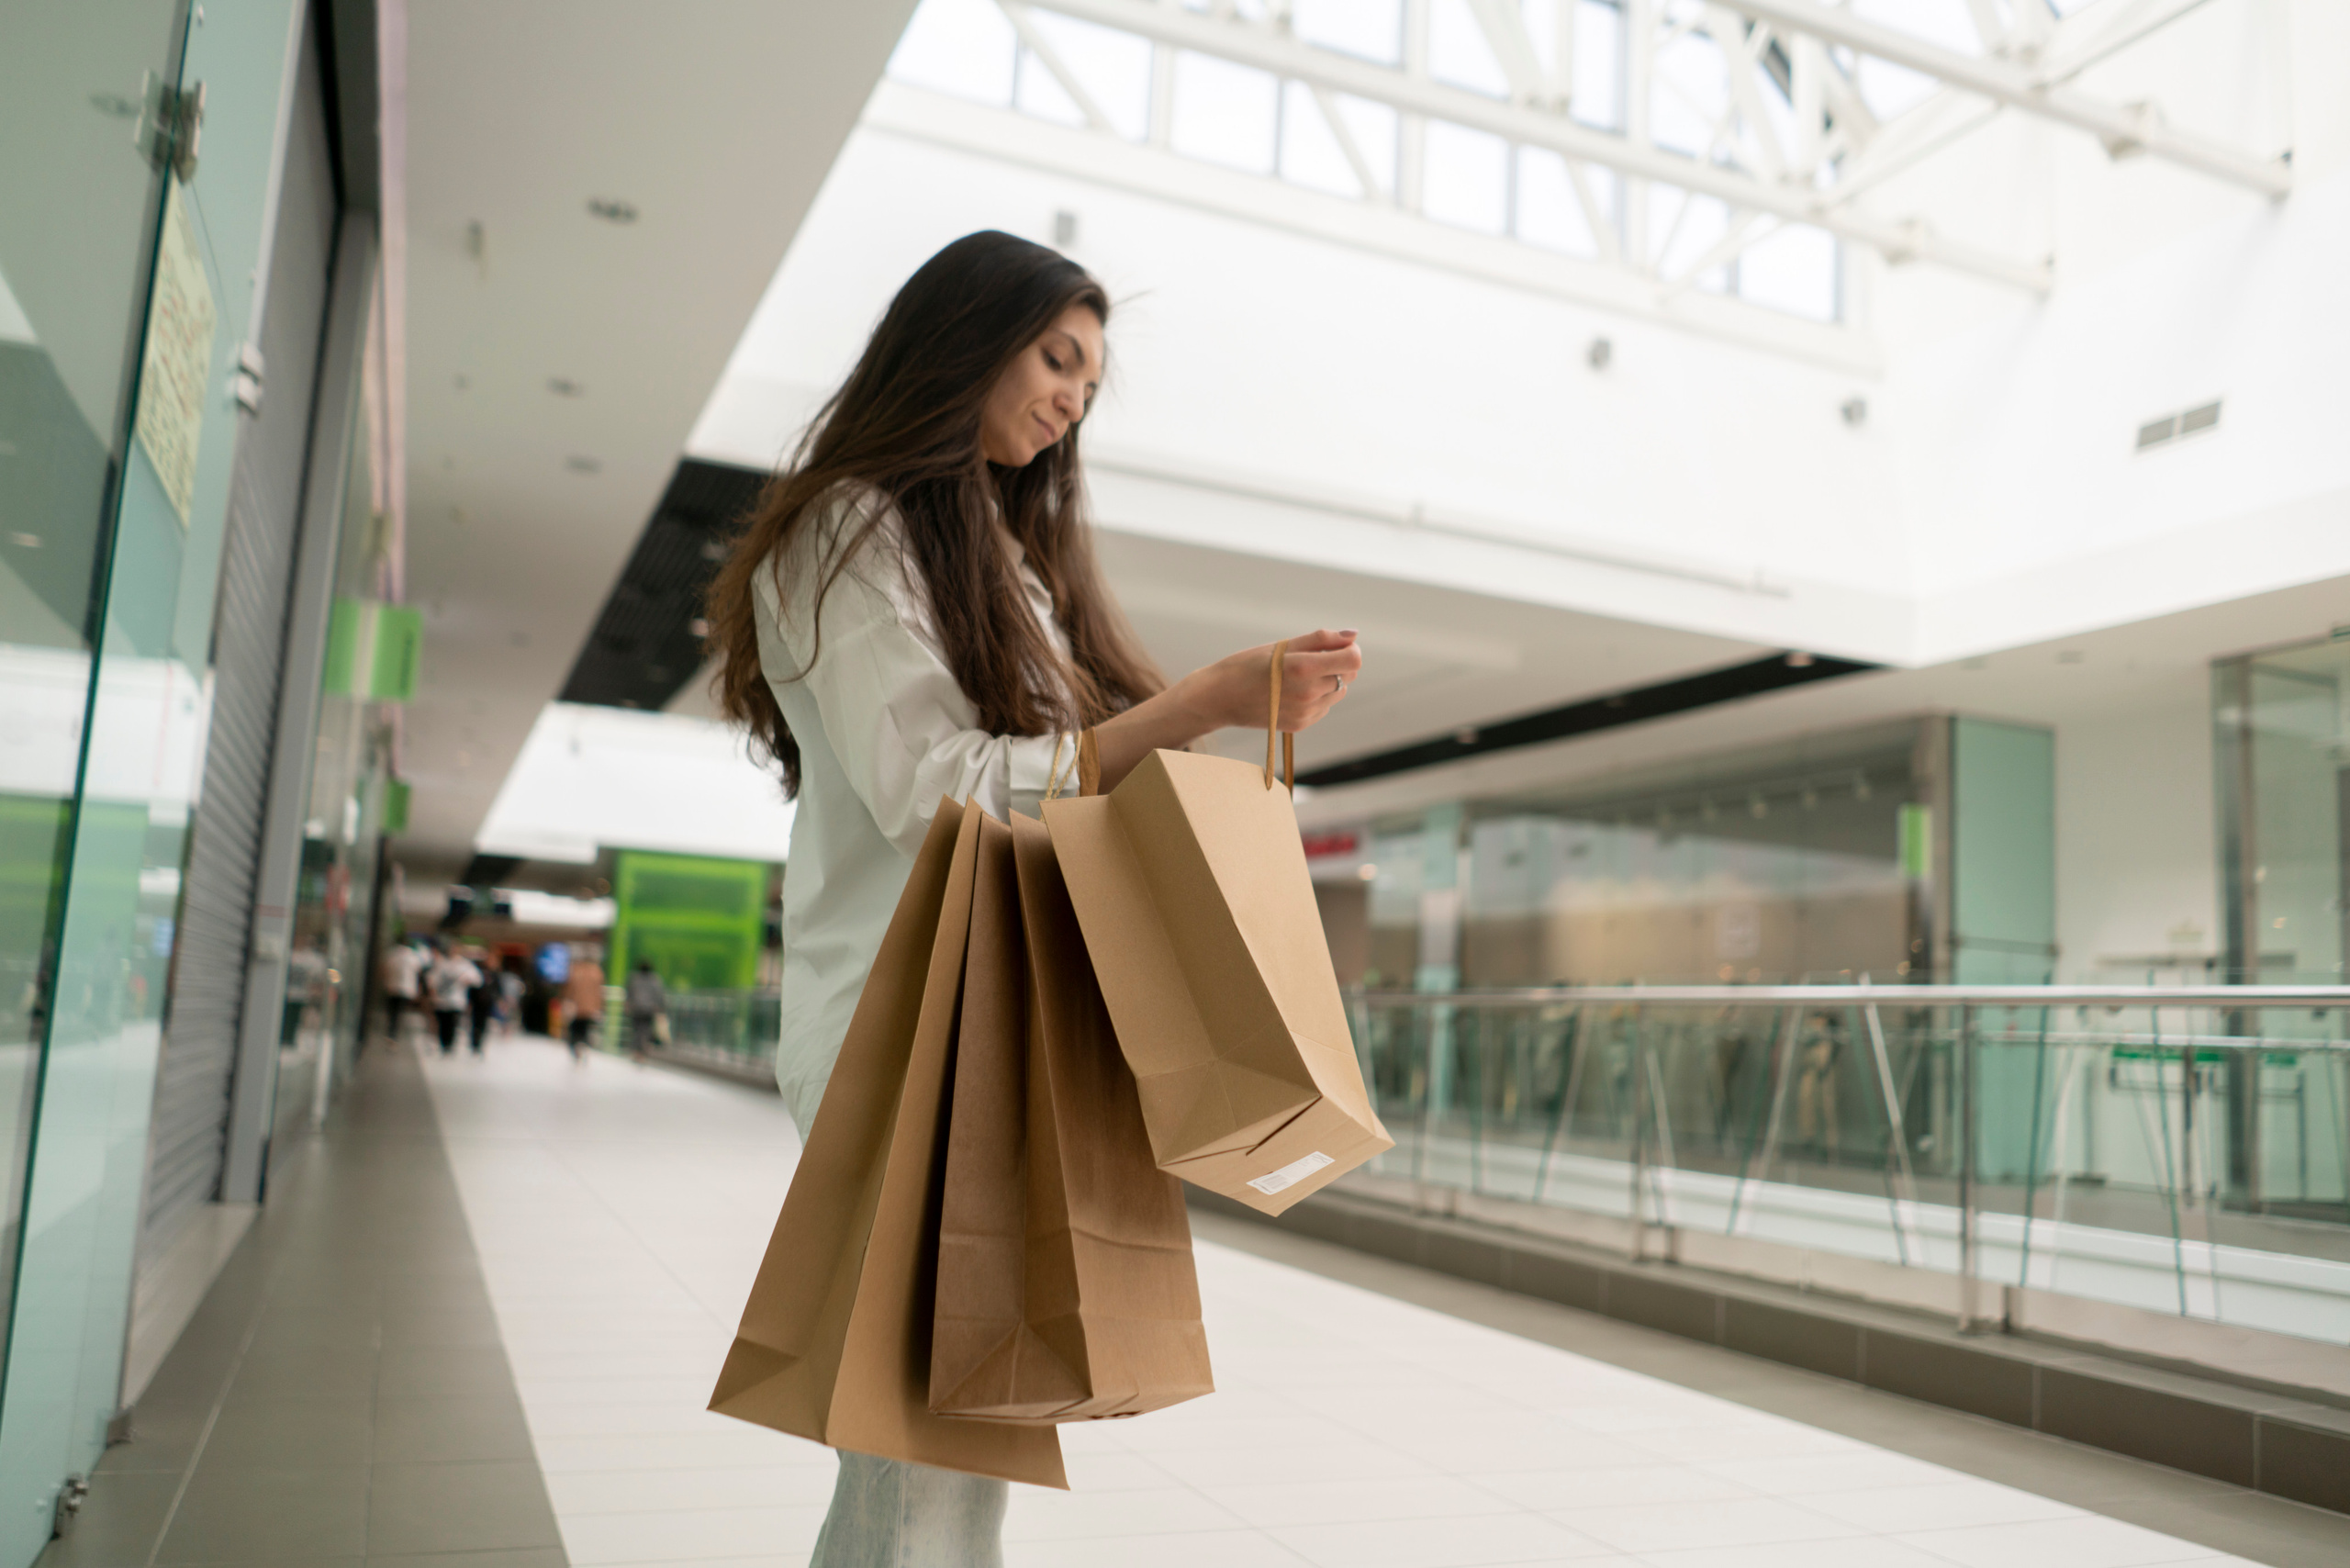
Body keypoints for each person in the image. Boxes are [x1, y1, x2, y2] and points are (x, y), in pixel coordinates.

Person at [703, 230, 1363, 1568]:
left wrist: (1214, 715)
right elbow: (939, 787)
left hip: (980, 1019)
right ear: (964, 339)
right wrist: (1203, 704)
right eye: (1057, 357)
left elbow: (1052, 785)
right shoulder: (847, 529)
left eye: (1089, 382)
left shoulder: (992, 552)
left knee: (944, 1443)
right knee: (924, 1450)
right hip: (906, 1028)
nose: (1072, 398)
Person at [424, 941, 481, 1056]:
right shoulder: (441, 964)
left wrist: (468, 981)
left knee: (452, 1023)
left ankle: (449, 1045)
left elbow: (478, 980)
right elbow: (431, 979)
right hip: (441, 1001)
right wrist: (432, 992)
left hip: (457, 1001)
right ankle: (443, 1044)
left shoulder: (465, 965)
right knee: (443, 1023)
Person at [565, 949, 606, 1059]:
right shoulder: (597, 972)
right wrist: (599, 1006)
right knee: (585, 1027)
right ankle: (583, 1044)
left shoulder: (576, 970)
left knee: (575, 1027)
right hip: (590, 1007)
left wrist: (568, 1000)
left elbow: (570, 988)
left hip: (577, 1006)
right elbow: (599, 992)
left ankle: (576, 1045)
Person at [379, 938, 422, 1044]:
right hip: (406, 988)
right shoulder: (413, 956)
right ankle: (394, 1032)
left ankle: (391, 1031)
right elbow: (418, 973)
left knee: (392, 1010)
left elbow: (384, 969)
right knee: (398, 1010)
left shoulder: (392, 954)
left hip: (392, 987)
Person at [623, 958, 666, 1062]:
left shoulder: (634, 978)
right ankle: (642, 1051)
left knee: (637, 1030)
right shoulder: (655, 980)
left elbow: (629, 993)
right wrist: (660, 1007)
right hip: (649, 1010)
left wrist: (628, 1005)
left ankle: (636, 1051)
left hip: (636, 1008)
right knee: (646, 1030)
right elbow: (660, 995)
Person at [464, 946, 498, 1055]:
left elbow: (497, 989)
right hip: (477, 1003)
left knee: (484, 1025)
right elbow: (472, 988)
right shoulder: (478, 971)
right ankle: (474, 1043)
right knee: (475, 1023)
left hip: (488, 1004)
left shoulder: (494, 974)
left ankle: (479, 1044)